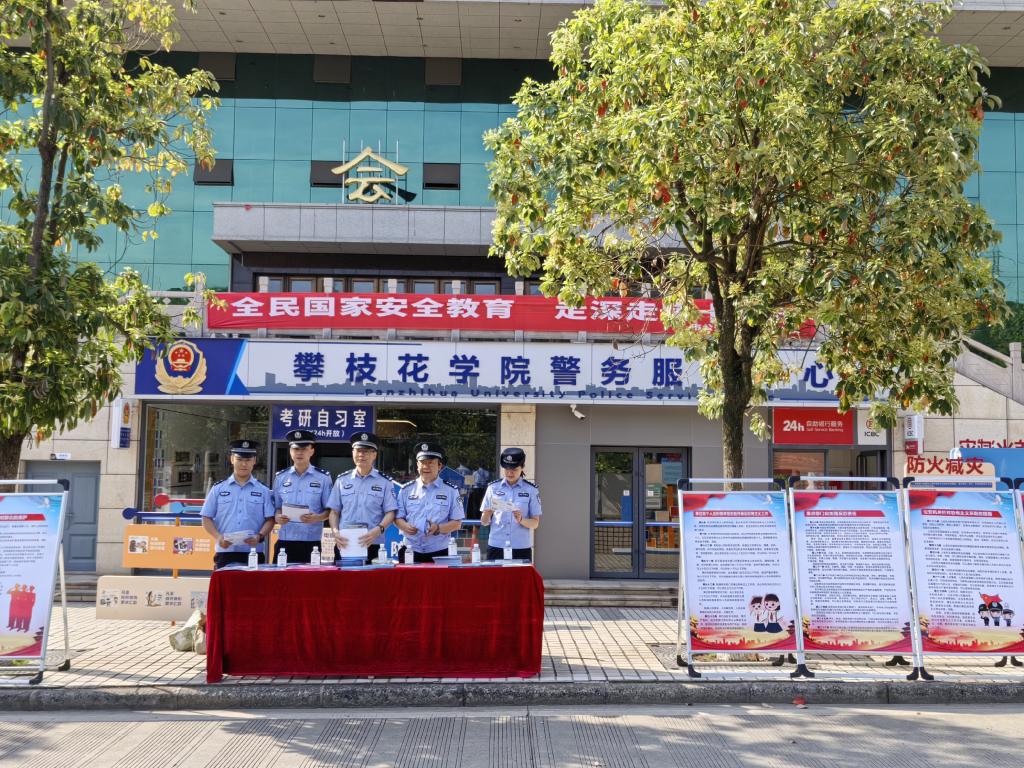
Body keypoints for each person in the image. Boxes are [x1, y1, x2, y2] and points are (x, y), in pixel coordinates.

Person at [200, 439, 276, 569]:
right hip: (225, 552)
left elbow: (270, 519)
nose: (244, 464)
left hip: (253, 552)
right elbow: (206, 517)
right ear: (232, 459)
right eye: (239, 459)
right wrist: (219, 538)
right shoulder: (218, 489)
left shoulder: (263, 490)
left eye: (248, 460)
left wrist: (259, 536)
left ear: (254, 461)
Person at [327, 431, 399, 564]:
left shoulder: (384, 482)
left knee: (373, 578)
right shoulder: (342, 480)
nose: (361, 455)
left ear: (374, 455)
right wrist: (335, 532)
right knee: (343, 577)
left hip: (373, 542)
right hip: (345, 543)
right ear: (353, 453)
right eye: (358, 451)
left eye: (366, 451)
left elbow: (390, 512)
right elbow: (334, 512)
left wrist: (379, 529)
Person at [395, 440, 464, 563]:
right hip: (410, 550)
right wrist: (405, 526)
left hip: (440, 552)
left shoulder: (451, 491)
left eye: (431, 463)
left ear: (439, 466)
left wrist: (438, 528)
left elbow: (457, 523)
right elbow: (397, 518)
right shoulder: (405, 490)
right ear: (417, 465)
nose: (426, 467)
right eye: (422, 462)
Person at [272, 429, 332, 565]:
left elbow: (330, 511)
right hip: (285, 541)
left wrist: (317, 517)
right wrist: (278, 517)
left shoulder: (323, 478)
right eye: (296, 449)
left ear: (312, 451)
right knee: (281, 578)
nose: (299, 453)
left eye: (304, 449)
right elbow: (277, 507)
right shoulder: (280, 477)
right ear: (290, 451)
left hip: (311, 542)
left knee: (310, 579)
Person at [479, 447, 542, 562]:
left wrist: (521, 519)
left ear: (522, 467)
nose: (509, 473)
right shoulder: (493, 488)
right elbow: (484, 522)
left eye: (514, 469)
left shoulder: (531, 490)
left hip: (520, 547)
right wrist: (487, 514)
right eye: (506, 469)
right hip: (496, 546)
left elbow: (535, 523)